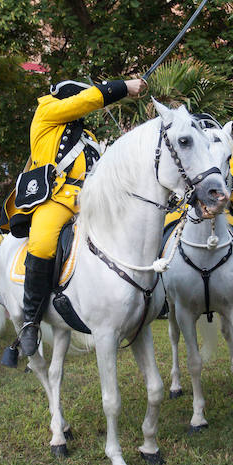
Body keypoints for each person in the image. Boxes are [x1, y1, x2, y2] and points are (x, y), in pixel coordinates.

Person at [15, 77, 148, 358]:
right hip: (57, 200)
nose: (84, 108)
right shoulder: (46, 112)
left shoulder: (89, 137)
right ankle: (30, 321)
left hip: (91, 202)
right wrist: (124, 87)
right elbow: (85, 101)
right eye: (80, 101)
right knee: (41, 244)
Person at [162, 113, 233, 321]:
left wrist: (216, 187)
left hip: (222, 208)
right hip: (183, 207)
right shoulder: (188, 142)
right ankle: (163, 299)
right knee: (160, 238)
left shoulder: (223, 140)